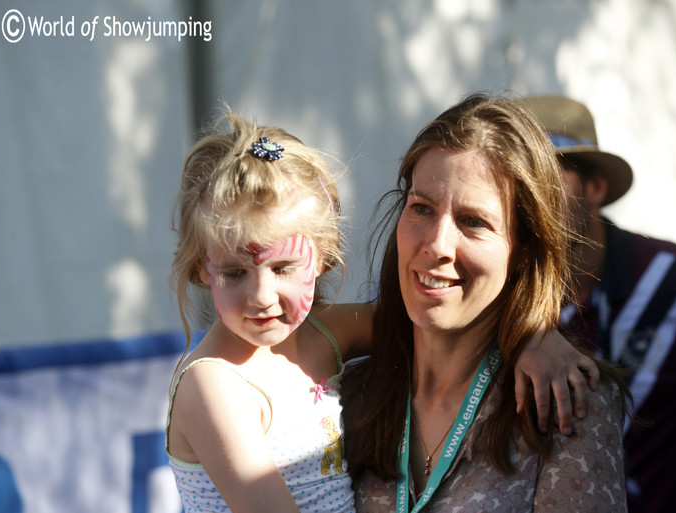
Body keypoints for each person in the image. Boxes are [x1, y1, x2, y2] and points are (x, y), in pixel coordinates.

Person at [165, 109, 602, 512]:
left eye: (283, 267)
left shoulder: (321, 334)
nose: (261, 295)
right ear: (202, 269)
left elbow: (456, 317)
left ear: (321, 257)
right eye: (234, 273)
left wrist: (536, 335)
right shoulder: (213, 384)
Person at [342, 93, 629, 512]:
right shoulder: (348, 396)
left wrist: (529, 327)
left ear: (525, 251)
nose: (437, 244)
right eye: (421, 208)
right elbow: (249, 327)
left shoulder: (566, 404)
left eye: (473, 222)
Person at [522, 95, 676, 513]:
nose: (526, 199)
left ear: (596, 187)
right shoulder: (499, 304)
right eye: (513, 182)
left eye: (544, 176)